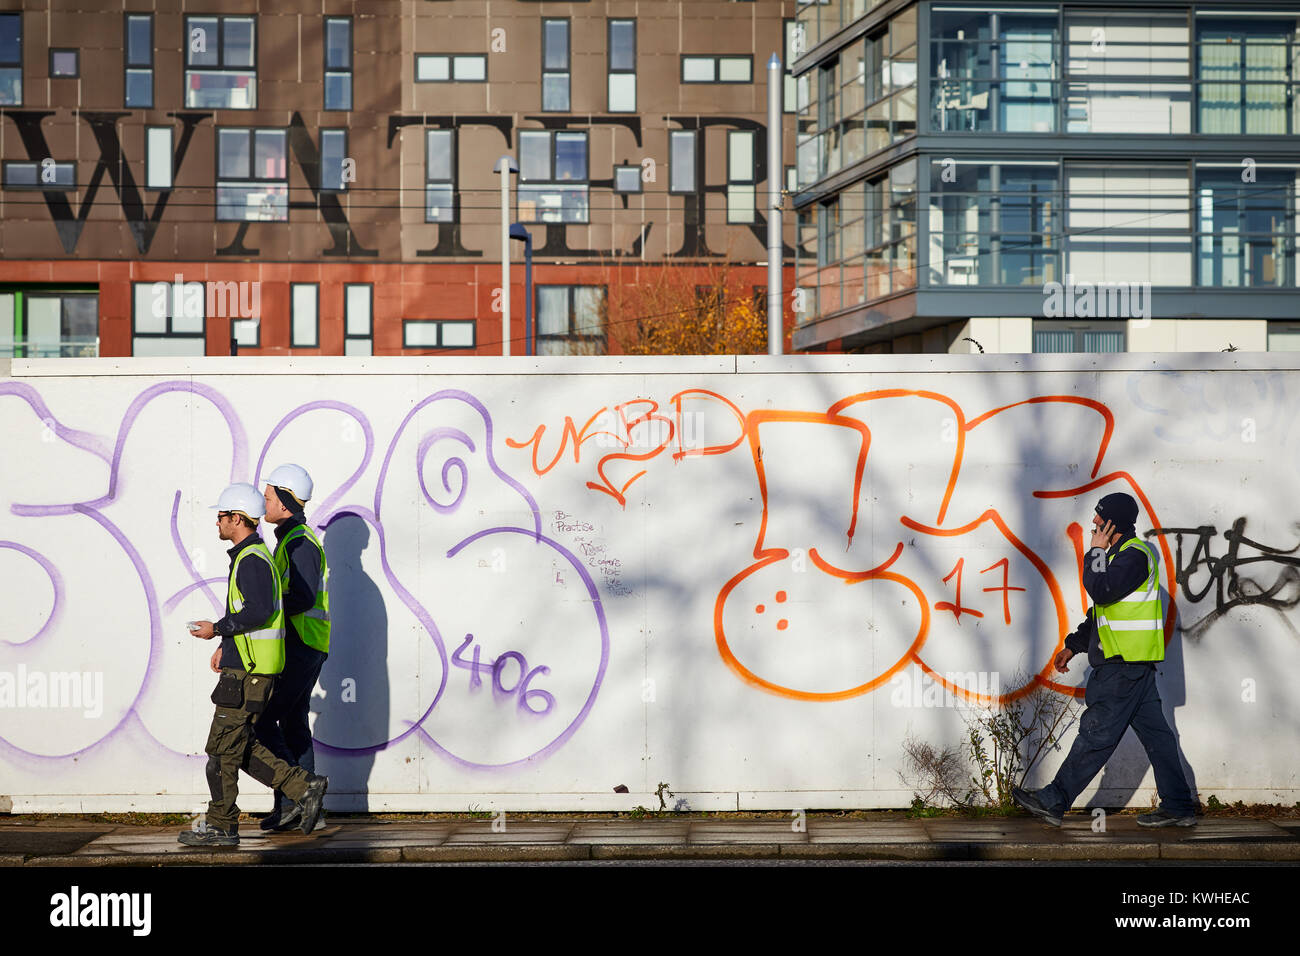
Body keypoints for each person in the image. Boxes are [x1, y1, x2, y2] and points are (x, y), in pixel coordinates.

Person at [1013, 492, 1197, 828]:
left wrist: (1095, 551)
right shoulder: (1122, 558)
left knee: (1096, 735)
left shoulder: (1134, 557)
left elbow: (1100, 590)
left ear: (1116, 523)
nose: (1094, 523)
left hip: (1122, 667)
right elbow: (1103, 611)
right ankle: (1179, 806)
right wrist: (1075, 645)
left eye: (1101, 518)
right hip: (1133, 667)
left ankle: (1054, 800)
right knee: (1159, 738)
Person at [180, 482, 327, 846]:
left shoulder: (254, 560)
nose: (217, 524)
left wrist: (218, 630)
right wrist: (225, 643)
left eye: (221, 517)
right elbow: (249, 611)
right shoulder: (254, 556)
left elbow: (260, 611)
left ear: (236, 519)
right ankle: (302, 789)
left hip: (249, 672)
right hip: (245, 666)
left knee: (221, 752)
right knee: (235, 745)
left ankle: (222, 826)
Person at [254, 464, 331, 832]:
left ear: (284, 503)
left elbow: (299, 596)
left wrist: (266, 605)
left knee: (265, 721)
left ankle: (298, 796)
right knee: (294, 724)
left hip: (301, 646)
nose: (262, 503)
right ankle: (296, 806)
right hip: (306, 645)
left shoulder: (299, 542)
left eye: (268, 498)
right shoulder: (292, 538)